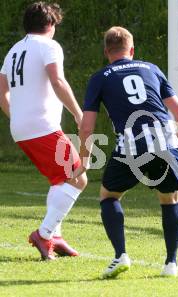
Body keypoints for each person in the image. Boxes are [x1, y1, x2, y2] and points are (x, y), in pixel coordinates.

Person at [74, 26, 178, 279]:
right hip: (165, 141)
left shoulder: (101, 77)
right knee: (170, 199)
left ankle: (121, 255)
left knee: (109, 196)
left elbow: (86, 126)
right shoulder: (151, 68)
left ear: (107, 52)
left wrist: (84, 159)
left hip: (132, 145)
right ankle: (171, 263)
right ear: (132, 50)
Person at [0, 2, 87, 260]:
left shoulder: (14, 51)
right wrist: (78, 113)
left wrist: (16, 117)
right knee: (78, 177)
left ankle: (56, 236)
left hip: (22, 127)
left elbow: (1, 92)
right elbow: (57, 79)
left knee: (59, 179)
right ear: (50, 25)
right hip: (42, 126)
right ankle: (45, 233)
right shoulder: (49, 46)